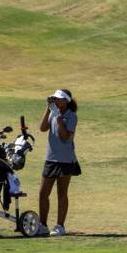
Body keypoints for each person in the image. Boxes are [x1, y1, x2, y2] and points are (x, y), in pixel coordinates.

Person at [38, 88, 80, 236]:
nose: (55, 100)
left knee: (61, 193)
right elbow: (42, 128)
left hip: (65, 160)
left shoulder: (72, 116)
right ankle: (42, 225)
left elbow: (64, 137)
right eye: (54, 98)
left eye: (58, 99)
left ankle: (60, 226)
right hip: (50, 158)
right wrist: (48, 109)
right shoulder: (53, 111)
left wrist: (58, 118)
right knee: (43, 193)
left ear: (66, 101)